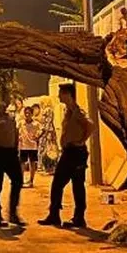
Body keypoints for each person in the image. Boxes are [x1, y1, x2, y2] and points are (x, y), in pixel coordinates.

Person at [39, 83, 94, 229]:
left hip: (76, 153)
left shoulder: (77, 111)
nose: (58, 96)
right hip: (69, 152)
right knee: (62, 184)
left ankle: (76, 217)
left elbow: (90, 126)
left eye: (61, 93)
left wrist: (81, 140)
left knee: (72, 185)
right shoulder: (68, 112)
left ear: (68, 94)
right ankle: (57, 215)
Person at [18, 104, 41, 188]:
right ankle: (21, 181)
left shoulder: (36, 124)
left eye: (29, 113)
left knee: (32, 164)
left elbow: (42, 130)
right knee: (22, 164)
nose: (27, 115)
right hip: (23, 146)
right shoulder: (21, 123)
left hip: (32, 146)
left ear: (32, 114)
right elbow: (17, 131)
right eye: (26, 113)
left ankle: (31, 181)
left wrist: (37, 137)